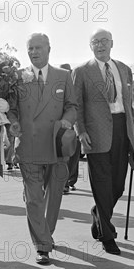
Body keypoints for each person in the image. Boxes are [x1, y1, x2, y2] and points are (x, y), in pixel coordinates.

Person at [8, 33, 77, 265]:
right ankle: (42, 245)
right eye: (30, 49)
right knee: (34, 199)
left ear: (49, 49)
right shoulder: (16, 78)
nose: (34, 52)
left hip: (56, 144)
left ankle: (46, 233)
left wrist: (68, 120)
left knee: (54, 195)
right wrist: (12, 121)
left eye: (38, 48)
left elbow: (72, 106)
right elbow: (11, 108)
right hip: (28, 145)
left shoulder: (63, 76)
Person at [72, 29, 134, 255]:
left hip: (122, 129)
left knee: (117, 185)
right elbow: (77, 105)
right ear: (90, 46)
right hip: (96, 133)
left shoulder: (124, 70)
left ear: (112, 43)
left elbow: (128, 105)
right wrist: (80, 132)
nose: (100, 45)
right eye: (95, 42)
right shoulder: (81, 72)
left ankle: (98, 214)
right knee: (101, 184)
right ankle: (107, 236)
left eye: (104, 41)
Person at [60, 63, 82, 194]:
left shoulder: (75, 87)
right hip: (62, 126)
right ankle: (64, 182)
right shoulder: (57, 86)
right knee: (64, 156)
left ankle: (70, 181)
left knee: (74, 155)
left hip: (75, 125)